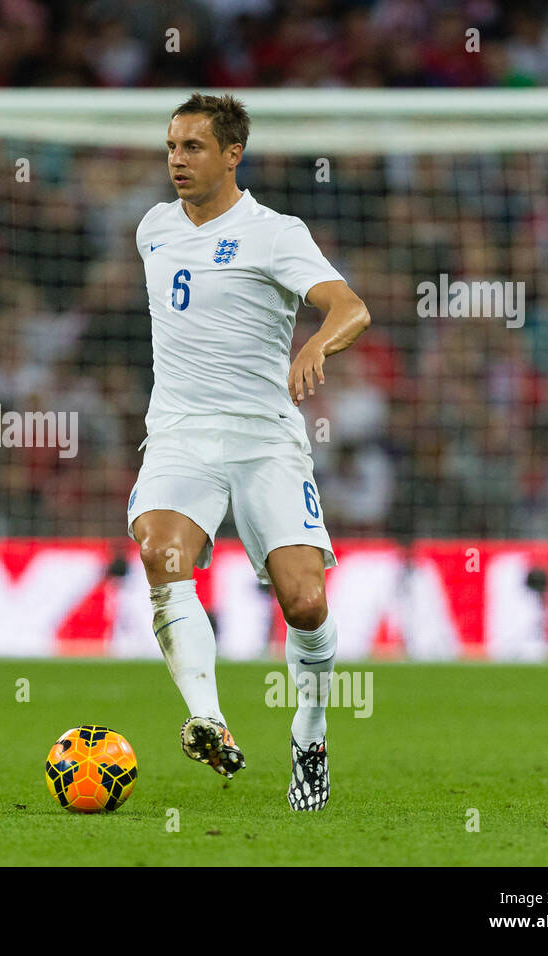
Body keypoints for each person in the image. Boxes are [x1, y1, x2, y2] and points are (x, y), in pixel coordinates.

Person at [128, 94, 371, 811]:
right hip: (180, 434)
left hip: (265, 437)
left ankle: (312, 730)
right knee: (160, 554)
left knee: (303, 601)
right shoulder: (152, 229)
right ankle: (208, 716)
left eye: (193, 147)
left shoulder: (274, 233)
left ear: (232, 154)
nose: (177, 159)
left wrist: (317, 343)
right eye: (172, 146)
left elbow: (349, 306)